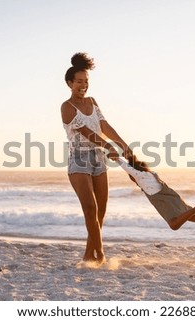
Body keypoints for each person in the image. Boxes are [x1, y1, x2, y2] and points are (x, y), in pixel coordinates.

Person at [61, 52, 132, 263]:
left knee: (100, 211)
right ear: (69, 83)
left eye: (86, 81)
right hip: (79, 160)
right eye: (79, 82)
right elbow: (86, 132)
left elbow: (103, 126)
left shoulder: (92, 101)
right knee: (90, 208)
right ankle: (100, 254)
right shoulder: (67, 107)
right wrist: (108, 145)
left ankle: (87, 254)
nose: (83, 85)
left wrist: (122, 144)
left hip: (98, 159)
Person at [116, 156, 195, 238]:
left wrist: (117, 159)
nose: (131, 177)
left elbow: (129, 170)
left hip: (167, 202)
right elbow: (132, 169)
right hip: (173, 198)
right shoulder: (150, 175)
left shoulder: (141, 176)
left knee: (174, 225)